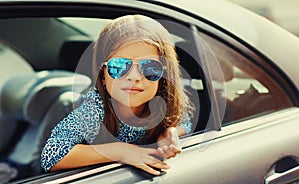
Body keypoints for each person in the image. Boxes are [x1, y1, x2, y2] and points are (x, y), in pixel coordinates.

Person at [41, 14, 194, 176]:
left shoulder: (165, 102)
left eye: (149, 67)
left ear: (163, 76)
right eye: (119, 66)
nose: (134, 76)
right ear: (103, 76)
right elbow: (51, 155)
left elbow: (185, 123)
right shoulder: (94, 109)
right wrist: (121, 151)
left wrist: (170, 132)